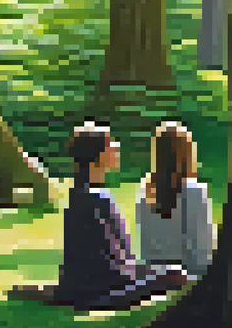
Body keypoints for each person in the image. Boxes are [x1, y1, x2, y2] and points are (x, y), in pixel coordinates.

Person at [53, 121, 188, 310]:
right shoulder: (97, 198)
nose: (116, 147)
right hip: (103, 292)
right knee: (176, 274)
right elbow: (118, 267)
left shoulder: (79, 193)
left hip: (89, 286)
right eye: (110, 144)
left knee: (166, 271)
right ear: (97, 155)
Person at [135, 122, 216, 278]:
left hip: (151, 278)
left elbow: (145, 248)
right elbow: (201, 252)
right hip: (185, 279)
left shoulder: (146, 190)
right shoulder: (194, 191)